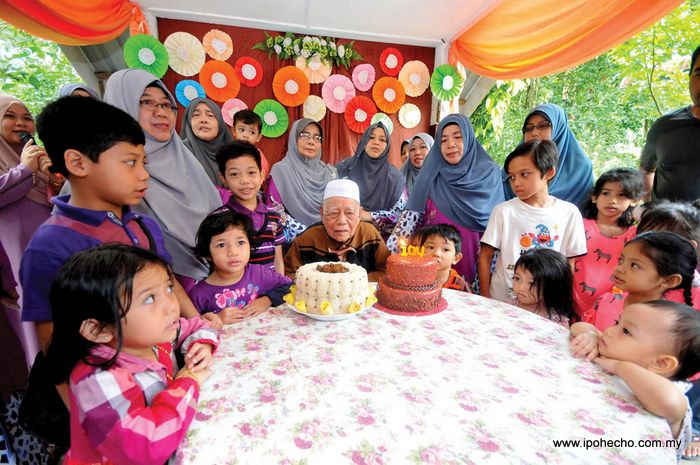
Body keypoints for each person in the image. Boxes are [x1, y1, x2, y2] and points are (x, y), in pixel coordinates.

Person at [20, 96, 207, 357]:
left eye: (144, 163)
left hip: (165, 365)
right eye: (130, 162)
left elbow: (167, 281)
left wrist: (200, 329)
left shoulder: (144, 226)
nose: (144, 174)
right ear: (78, 163)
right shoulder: (49, 248)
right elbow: (54, 345)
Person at [44, 244, 218, 465]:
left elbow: (198, 325)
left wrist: (202, 345)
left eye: (168, 288)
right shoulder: (97, 380)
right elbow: (147, 447)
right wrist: (187, 381)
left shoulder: (153, 338)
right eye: (149, 299)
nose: (172, 306)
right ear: (98, 330)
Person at [103, 69, 221, 292]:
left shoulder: (187, 162)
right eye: (147, 102)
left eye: (166, 105)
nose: (161, 112)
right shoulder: (101, 178)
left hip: (215, 287)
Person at [569, 300, 698, 461]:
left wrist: (620, 367)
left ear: (660, 363)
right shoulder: (615, 350)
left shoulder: (668, 391)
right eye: (617, 322)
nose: (609, 331)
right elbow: (578, 326)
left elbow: (671, 402)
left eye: (626, 331)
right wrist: (591, 336)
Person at [389, 114, 504, 285]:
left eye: (458, 137)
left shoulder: (489, 174)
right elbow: (409, 220)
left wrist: (488, 283)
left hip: (474, 265)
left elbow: (495, 232)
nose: (450, 144)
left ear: (469, 138)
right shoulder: (430, 173)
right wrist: (393, 260)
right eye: (443, 140)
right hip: (430, 265)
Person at [479, 140, 586, 303]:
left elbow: (570, 263)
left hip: (546, 302)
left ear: (549, 172)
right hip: (502, 300)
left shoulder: (569, 213)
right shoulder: (504, 211)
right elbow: (485, 256)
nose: (516, 183)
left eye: (525, 174)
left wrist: (561, 300)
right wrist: (485, 297)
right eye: (512, 177)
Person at [1, 94, 65, 366]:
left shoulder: (38, 158)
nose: (21, 123)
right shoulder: (23, 165)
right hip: (17, 255)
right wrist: (24, 170)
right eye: (10, 116)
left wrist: (55, 181)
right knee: (35, 318)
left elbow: (57, 204)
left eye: (27, 118)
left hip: (52, 250)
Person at [190, 211, 291, 324]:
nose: (233, 252)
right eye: (221, 245)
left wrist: (267, 300)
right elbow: (189, 326)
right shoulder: (199, 294)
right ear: (208, 253)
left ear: (250, 245)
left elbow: (290, 286)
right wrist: (218, 319)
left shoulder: (259, 273)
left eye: (241, 242)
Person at [589, 231, 698, 332]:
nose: (619, 269)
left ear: (670, 280)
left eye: (634, 265)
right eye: (621, 260)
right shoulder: (605, 301)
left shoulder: (670, 324)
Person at [284, 179, 389, 281]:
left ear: (359, 214)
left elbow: (387, 271)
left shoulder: (369, 235)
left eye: (349, 213)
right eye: (334, 213)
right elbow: (287, 275)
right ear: (322, 213)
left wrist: (354, 282)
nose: (342, 221)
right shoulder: (306, 239)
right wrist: (319, 282)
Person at [574, 168, 644, 320]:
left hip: (611, 307)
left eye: (621, 195)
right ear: (594, 197)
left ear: (634, 201)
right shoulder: (578, 225)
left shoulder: (635, 235)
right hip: (572, 300)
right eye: (606, 193)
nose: (612, 200)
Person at [213, 141, 285, 273]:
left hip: (272, 285)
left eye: (251, 172)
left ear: (261, 175)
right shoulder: (218, 219)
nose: (244, 180)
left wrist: (281, 283)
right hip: (238, 286)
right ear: (223, 178)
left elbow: (278, 260)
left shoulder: (274, 216)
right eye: (235, 174)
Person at [640, 45, 700, 202]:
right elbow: (646, 171)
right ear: (690, 77)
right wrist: (650, 208)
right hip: (662, 217)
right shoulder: (664, 126)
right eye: (699, 73)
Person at [504, 103, 593, 208]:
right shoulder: (514, 165)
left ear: (558, 127)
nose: (534, 133)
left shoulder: (581, 168)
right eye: (528, 128)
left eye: (543, 126)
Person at [266, 118, 336, 240]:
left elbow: (337, 210)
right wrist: (305, 232)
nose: (311, 142)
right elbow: (274, 210)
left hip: (328, 238)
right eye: (304, 135)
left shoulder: (330, 173)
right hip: (292, 239)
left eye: (317, 137)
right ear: (294, 139)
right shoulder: (281, 171)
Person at [337, 122, 406, 237]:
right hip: (343, 235)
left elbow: (399, 215)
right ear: (364, 141)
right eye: (371, 137)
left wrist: (369, 216)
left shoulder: (395, 178)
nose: (376, 142)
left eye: (382, 139)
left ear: (387, 146)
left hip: (378, 240)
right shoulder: (344, 169)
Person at [513, 249, 575, 327]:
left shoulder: (556, 322)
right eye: (517, 278)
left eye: (532, 283)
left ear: (553, 288)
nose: (521, 288)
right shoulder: (509, 305)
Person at [180, 97, 233, 188]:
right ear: (188, 122)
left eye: (210, 115)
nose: (203, 120)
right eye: (196, 115)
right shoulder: (179, 152)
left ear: (220, 122)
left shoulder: (234, 153)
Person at [414, 224, 469, 292]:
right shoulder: (413, 277)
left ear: (456, 258)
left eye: (446, 249)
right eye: (430, 247)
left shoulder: (460, 286)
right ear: (420, 251)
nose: (436, 254)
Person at [231, 109, 270, 179]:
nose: (246, 135)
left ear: (258, 137)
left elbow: (263, 177)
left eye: (252, 132)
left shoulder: (258, 156)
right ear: (233, 131)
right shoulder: (228, 152)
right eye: (242, 130)